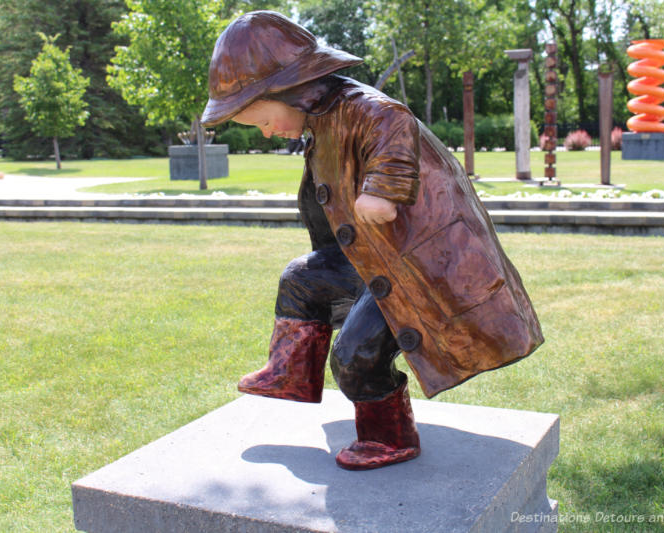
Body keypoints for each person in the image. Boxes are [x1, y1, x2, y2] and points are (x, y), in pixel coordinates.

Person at [201, 11, 543, 471]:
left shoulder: (364, 108)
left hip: (418, 269)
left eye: (263, 121)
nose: (268, 132)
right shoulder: (322, 118)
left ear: (286, 90)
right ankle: (292, 373)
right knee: (301, 279)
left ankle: (390, 435)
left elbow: (393, 125)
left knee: (355, 355)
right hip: (372, 258)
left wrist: (384, 190)